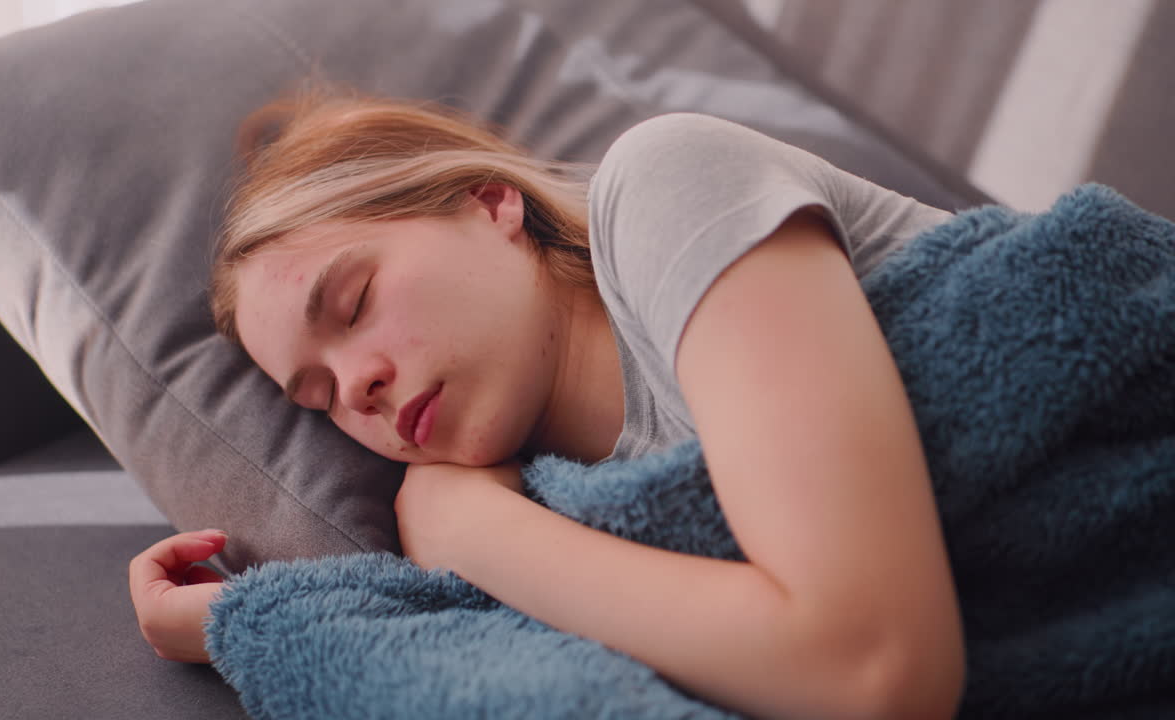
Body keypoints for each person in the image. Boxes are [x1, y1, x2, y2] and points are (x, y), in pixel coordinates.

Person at [128, 91, 966, 720]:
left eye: (354, 304)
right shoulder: (557, 508)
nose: (355, 389)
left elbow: (879, 672)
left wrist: (472, 532)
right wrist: (231, 621)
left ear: (492, 203)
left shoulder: (668, 180)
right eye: (319, 398)